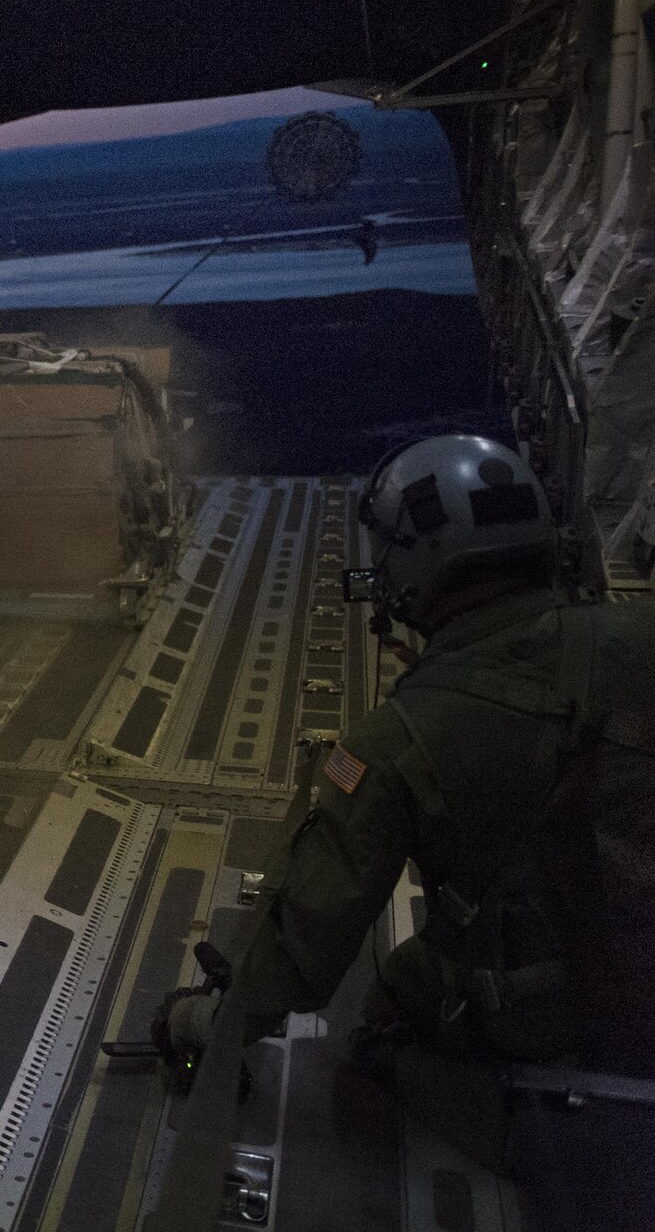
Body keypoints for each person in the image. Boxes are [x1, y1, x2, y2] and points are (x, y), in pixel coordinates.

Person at [164, 433, 654, 1224]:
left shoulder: (393, 743)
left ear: (417, 567)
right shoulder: (639, 637)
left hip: (569, 1034)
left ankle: (566, 1146)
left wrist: (193, 1022)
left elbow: (299, 956)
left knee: (385, 1029)